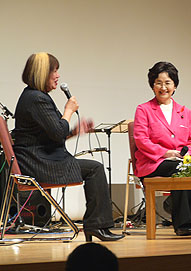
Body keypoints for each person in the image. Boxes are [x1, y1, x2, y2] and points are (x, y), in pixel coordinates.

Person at [13, 52, 124, 242]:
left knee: (93, 168)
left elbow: (53, 133)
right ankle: (97, 226)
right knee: (95, 169)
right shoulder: (37, 99)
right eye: (54, 71)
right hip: (39, 164)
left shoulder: (33, 96)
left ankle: (96, 226)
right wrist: (68, 111)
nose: (58, 76)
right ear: (41, 73)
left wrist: (73, 131)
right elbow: (57, 132)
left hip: (38, 159)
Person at [134, 61, 191, 236]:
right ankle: (182, 224)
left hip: (179, 160)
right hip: (153, 162)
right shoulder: (144, 110)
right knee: (179, 169)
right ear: (152, 85)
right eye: (158, 82)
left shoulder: (184, 111)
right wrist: (165, 153)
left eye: (168, 83)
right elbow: (141, 140)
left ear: (175, 86)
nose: (163, 87)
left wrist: (188, 154)